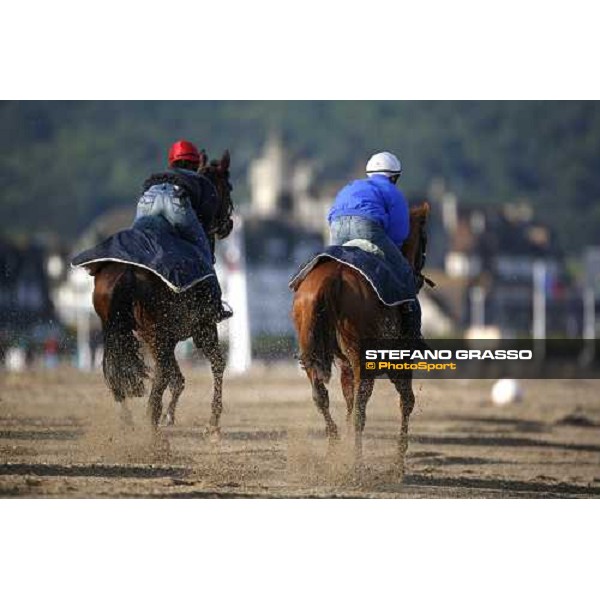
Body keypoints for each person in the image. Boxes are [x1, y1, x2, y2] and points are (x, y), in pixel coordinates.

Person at [327, 151, 424, 342]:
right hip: (366, 226)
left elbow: (332, 215)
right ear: (394, 177)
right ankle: (412, 337)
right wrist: (392, 254)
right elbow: (399, 233)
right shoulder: (393, 192)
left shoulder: (352, 185)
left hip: (336, 227)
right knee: (404, 272)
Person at [133, 139, 232, 321]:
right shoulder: (200, 180)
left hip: (148, 199)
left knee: (137, 247)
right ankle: (215, 305)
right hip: (175, 200)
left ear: (172, 162)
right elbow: (207, 217)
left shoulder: (159, 175)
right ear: (196, 164)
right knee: (203, 252)